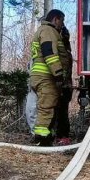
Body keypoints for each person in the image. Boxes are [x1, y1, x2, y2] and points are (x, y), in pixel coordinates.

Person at [27, 9, 67, 145]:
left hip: (39, 76)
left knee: (42, 107)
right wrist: (58, 74)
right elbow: (49, 52)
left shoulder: (43, 31)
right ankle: (42, 140)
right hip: (46, 77)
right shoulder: (48, 31)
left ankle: (43, 137)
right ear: (55, 19)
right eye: (62, 21)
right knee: (46, 108)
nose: (62, 24)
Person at [51, 25, 74, 144]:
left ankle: (62, 135)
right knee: (61, 111)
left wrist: (61, 83)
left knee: (60, 112)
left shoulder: (63, 51)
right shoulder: (67, 52)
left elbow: (64, 69)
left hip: (63, 86)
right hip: (65, 86)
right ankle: (61, 135)